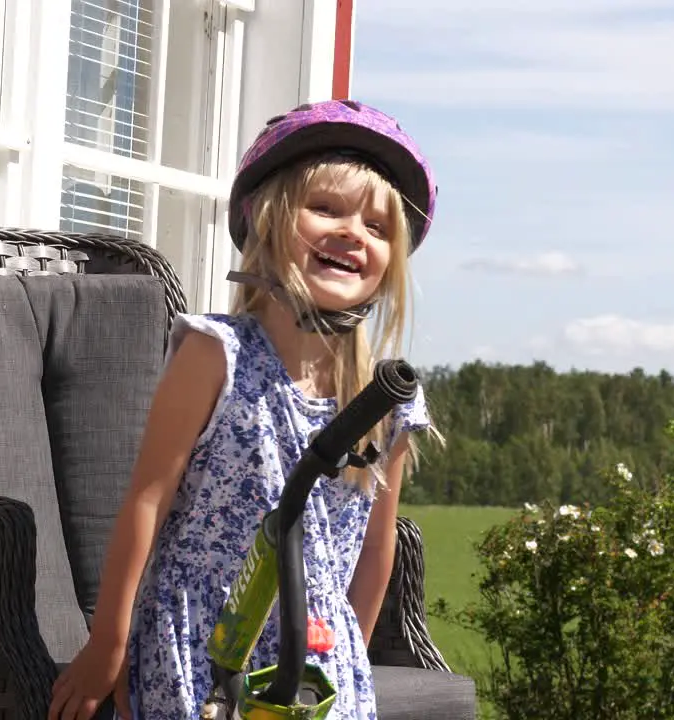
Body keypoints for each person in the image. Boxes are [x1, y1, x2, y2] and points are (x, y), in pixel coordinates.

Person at [48, 99, 440, 720]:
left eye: (376, 226)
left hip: (315, 660)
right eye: (326, 209)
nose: (351, 233)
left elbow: (374, 548)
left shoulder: (383, 398)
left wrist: (350, 658)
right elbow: (147, 501)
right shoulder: (215, 355)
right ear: (268, 219)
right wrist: (108, 643)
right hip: (202, 641)